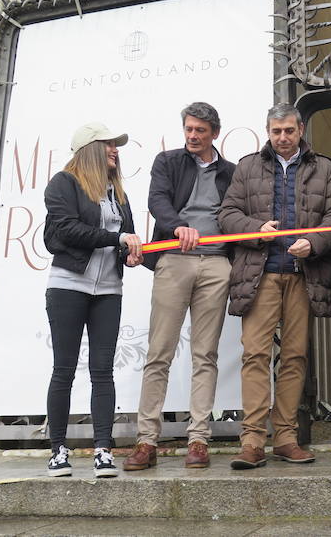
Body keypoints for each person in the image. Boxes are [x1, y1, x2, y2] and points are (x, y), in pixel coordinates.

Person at [219, 104, 331, 470]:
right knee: (255, 355)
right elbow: (227, 214)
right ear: (268, 132)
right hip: (261, 275)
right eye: (276, 132)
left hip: (303, 275)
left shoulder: (324, 167)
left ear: (301, 129)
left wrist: (315, 242)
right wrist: (256, 229)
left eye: (289, 131)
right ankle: (253, 441)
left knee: (294, 358)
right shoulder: (247, 166)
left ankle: (286, 438)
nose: (283, 138)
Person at [124, 103, 237, 472]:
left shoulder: (232, 172)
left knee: (206, 355)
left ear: (214, 134)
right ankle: (146, 441)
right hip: (174, 260)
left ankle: (199, 439)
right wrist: (177, 227)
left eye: (200, 130)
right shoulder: (167, 162)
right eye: (188, 129)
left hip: (217, 263)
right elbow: (157, 201)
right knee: (159, 352)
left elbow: (236, 214)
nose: (192, 136)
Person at [43, 123, 142, 478]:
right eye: (108, 145)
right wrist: (117, 240)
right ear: (89, 150)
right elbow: (68, 229)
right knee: (64, 369)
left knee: (103, 371)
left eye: (117, 145)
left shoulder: (119, 194)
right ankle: (57, 450)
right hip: (68, 285)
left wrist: (130, 253)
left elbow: (124, 237)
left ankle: (103, 449)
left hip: (108, 291)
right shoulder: (63, 183)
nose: (115, 150)